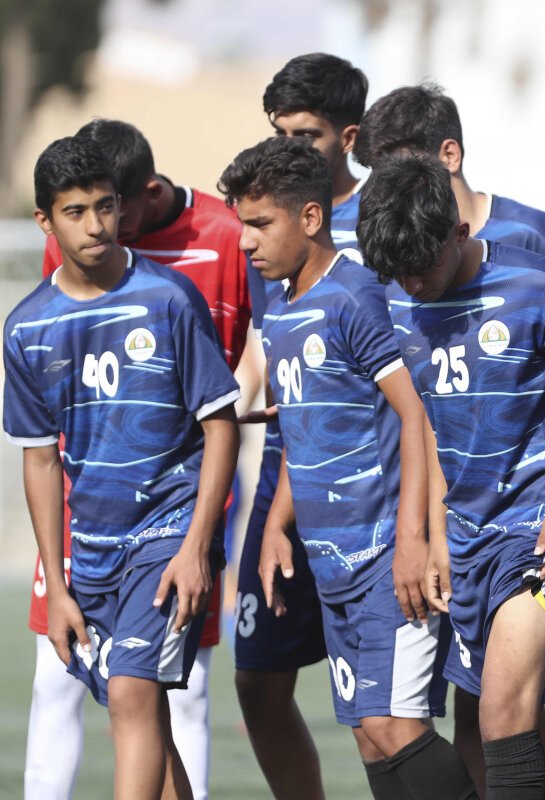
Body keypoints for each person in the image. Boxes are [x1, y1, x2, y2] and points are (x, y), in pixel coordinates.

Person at [356, 82, 545, 799]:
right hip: (470, 536)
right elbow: (432, 421)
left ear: (457, 233)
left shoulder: (536, 281)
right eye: (399, 275)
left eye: (422, 266)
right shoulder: (400, 299)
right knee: (492, 726)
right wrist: (433, 533)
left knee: (510, 712)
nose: (412, 284)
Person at [219, 134, 477, 800]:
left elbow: (417, 416)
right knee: (368, 732)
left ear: (310, 217)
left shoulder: (357, 296)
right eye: (242, 224)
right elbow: (301, 432)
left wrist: (415, 541)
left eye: (260, 224)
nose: (245, 241)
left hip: (388, 558)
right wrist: (276, 524)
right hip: (331, 564)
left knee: (393, 726)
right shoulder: (281, 312)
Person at [6, 135, 240, 800]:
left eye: (106, 206)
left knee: (135, 693)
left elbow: (220, 424)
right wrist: (56, 586)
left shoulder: (169, 298)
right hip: (93, 551)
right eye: (75, 212)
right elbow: (40, 460)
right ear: (45, 222)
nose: (96, 225)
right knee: (144, 717)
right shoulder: (27, 327)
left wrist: (197, 547)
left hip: (167, 536)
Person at [234, 53, 370, 800]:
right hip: (285, 471)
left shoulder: (382, 222)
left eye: (306, 134)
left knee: (381, 709)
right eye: (279, 131)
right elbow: (273, 343)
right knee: (257, 680)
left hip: (369, 483)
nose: (289, 147)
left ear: (347, 137)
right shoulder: (266, 221)